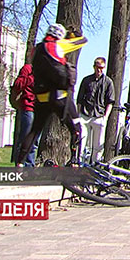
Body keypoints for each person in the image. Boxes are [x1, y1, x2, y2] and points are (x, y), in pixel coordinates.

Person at [16, 23, 87, 166]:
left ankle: (19, 163)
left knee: (35, 130)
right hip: (60, 97)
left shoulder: (36, 49)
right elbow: (83, 41)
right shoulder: (60, 45)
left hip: (41, 97)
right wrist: (72, 36)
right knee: (77, 128)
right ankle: (74, 162)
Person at [75, 57, 115, 163]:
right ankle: (78, 164)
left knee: (98, 146)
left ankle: (95, 167)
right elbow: (79, 99)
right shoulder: (86, 80)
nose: (99, 70)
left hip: (99, 116)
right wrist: (78, 115)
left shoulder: (108, 82)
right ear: (94, 67)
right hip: (85, 115)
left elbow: (110, 102)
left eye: (101, 68)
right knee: (81, 142)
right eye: (97, 67)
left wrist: (105, 117)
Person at [11, 62, 36, 166]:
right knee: (25, 139)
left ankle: (30, 166)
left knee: (34, 142)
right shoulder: (28, 69)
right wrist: (32, 78)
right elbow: (17, 85)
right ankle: (21, 165)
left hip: (40, 109)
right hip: (28, 108)